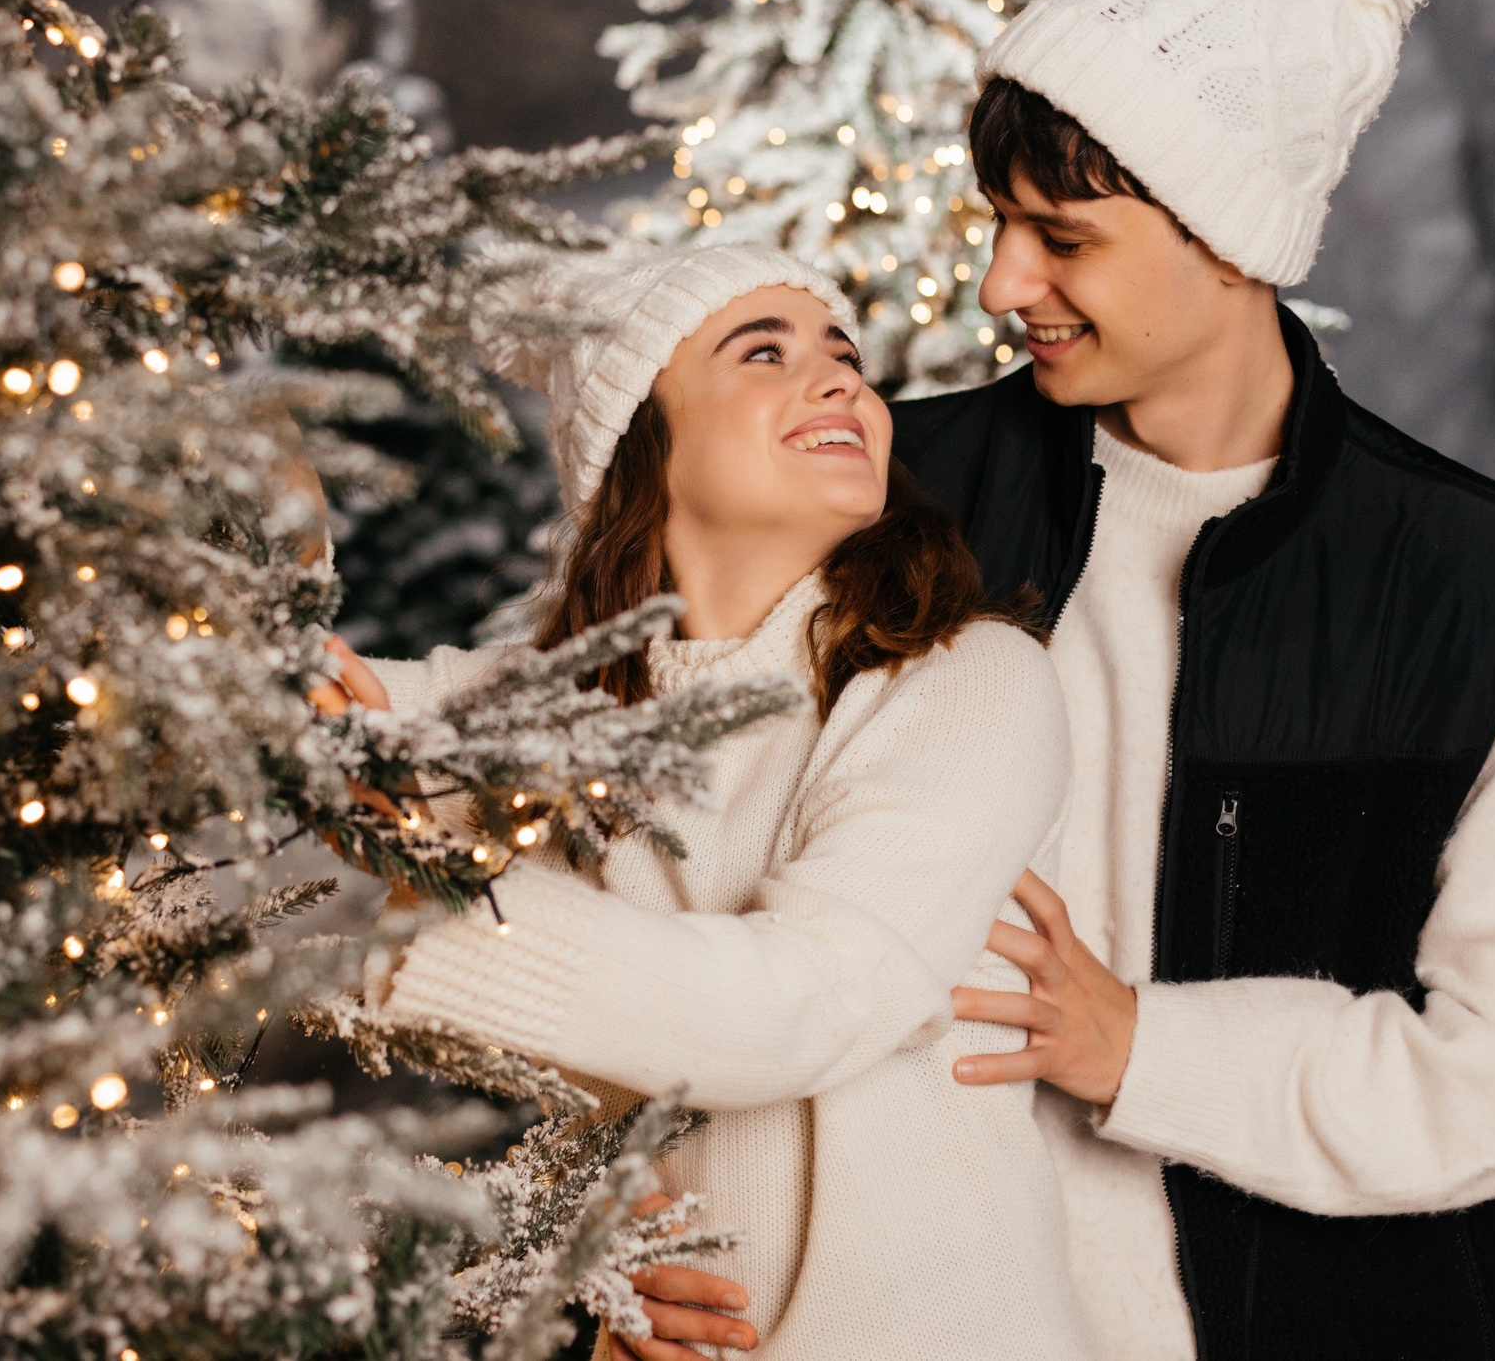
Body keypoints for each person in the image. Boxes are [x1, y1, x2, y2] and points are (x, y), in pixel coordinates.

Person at [653, 0, 1495, 1360]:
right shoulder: (894, 496)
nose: (999, 281)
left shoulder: (1471, 584)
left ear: (1231, 236)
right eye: (999, 220)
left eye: (1062, 236)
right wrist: (630, 1235)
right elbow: (669, 864)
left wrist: (1146, 1047)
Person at [325, 243, 1096, 1360]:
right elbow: (289, 706)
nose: (840, 379)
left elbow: (812, 996)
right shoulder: (551, 707)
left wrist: (455, 908)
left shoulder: (966, 679)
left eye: (842, 354)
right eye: (765, 351)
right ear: (643, 442)